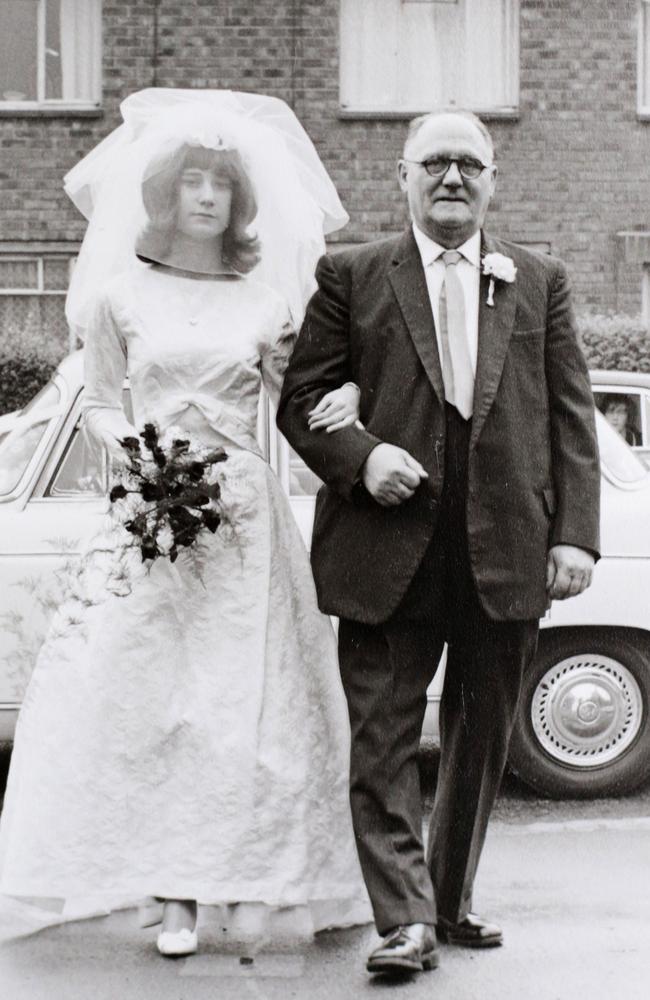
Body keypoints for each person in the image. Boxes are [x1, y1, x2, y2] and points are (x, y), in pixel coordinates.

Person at [0, 90, 370, 955]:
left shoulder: (266, 303)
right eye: (193, 181)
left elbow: (299, 395)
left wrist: (348, 394)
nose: (207, 196)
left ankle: (245, 877)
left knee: (241, 705)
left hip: (244, 520)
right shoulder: (121, 295)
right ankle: (170, 896)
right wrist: (141, 458)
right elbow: (96, 399)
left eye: (222, 185)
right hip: (150, 518)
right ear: (168, 195)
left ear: (242, 205)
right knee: (150, 702)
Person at [277, 108, 601, 977]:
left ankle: (449, 901)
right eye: (435, 164)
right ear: (402, 174)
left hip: (507, 544)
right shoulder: (351, 274)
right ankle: (404, 919)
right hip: (387, 545)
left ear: (493, 177)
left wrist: (575, 537)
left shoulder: (539, 278)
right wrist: (362, 454)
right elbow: (302, 397)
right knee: (382, 735)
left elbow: (571, 415)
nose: (451, 178)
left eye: (469, 163)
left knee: (483, 732)